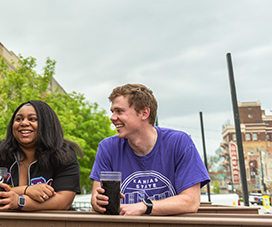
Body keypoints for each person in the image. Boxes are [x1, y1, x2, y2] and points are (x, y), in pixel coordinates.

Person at [90, 84, 210, 216]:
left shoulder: (179, 142)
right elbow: (95, 199)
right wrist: (99, 202)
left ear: (144, 113)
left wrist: (144, 207)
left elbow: (191, 201)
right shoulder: (107, 147)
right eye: (112, 111)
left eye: (119, 111)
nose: (112, 117)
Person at [0, 100, 82, 211]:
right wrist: (26, 190)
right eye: (18, 119)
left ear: (46, 125)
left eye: (32, 119)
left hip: (52, 226)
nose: (24, 123)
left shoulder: (65, 154)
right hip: (7, 225)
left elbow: (63, 202)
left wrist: (19, 201)